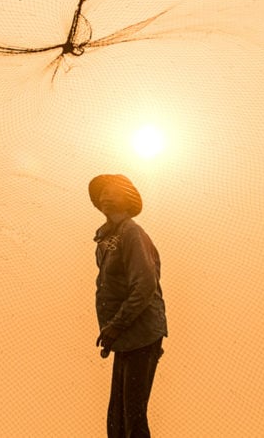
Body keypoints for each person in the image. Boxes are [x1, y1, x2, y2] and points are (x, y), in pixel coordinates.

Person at [89, 174, 168, 438]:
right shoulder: (107, 239)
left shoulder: (132, 233)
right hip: (125, 338)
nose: (105, 197)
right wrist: (112, 333)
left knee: (132, 417)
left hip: (142, 335)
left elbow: (144, 285)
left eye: (112, 192)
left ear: (126, 197)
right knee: (117, 421)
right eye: (102, 194)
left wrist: (116, 326)